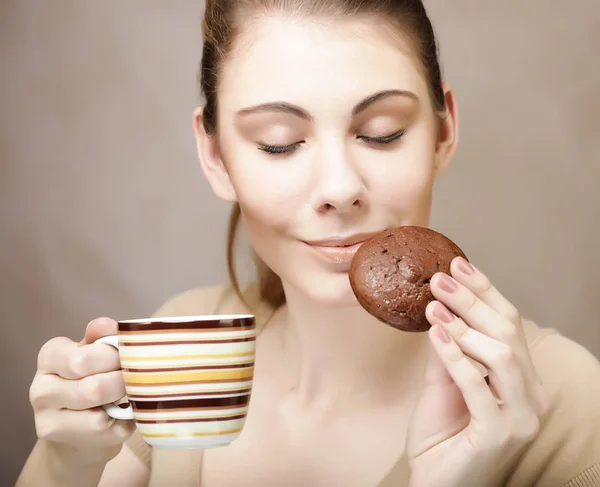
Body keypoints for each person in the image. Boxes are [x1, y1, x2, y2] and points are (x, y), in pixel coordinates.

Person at [16, 1, 600, 486]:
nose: (340, 188)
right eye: (279, 142)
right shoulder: (179, 345)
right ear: (216, 156)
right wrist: (69, 464)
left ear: (444, 132)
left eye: (382, 133)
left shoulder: (571, 409)